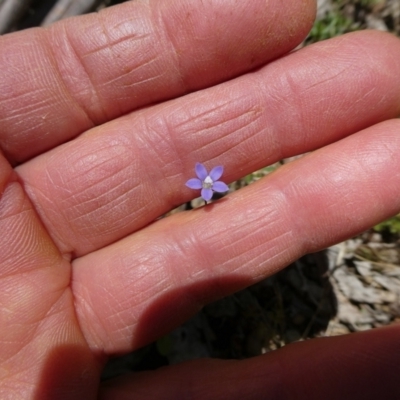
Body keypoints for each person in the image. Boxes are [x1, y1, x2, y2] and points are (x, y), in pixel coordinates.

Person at [1, 0, 400, 398]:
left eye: (210, 185)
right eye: (207, 185)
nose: (208, 184)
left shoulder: (210, 185)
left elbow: (210, 185)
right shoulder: (204, 185)